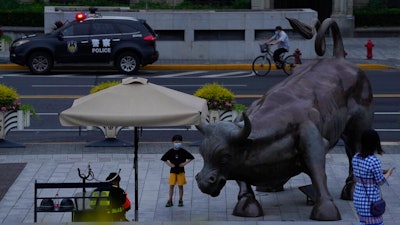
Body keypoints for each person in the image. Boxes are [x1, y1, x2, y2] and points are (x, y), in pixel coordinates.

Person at [352, 129, 395, 225]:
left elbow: (362, 174)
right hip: (370, 201)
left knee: (363, 222)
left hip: (358, 198)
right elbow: (380, 181)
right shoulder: (374, 160)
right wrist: (389, 172)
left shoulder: (356, 157)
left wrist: (381, 171)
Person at [161, 134, 194, 207]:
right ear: (172, 142)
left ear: (181, 142)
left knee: (180, 186)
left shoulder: (183, 151)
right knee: (171, 186)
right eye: (176, 142)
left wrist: (184, 163)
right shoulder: (170, 151)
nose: (177, 143)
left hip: (181, 171)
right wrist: (170, 165)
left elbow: (191, 157)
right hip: (173, 171)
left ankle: (180, 200)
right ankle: (170, 200)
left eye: (179, 142)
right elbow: (164, 159)